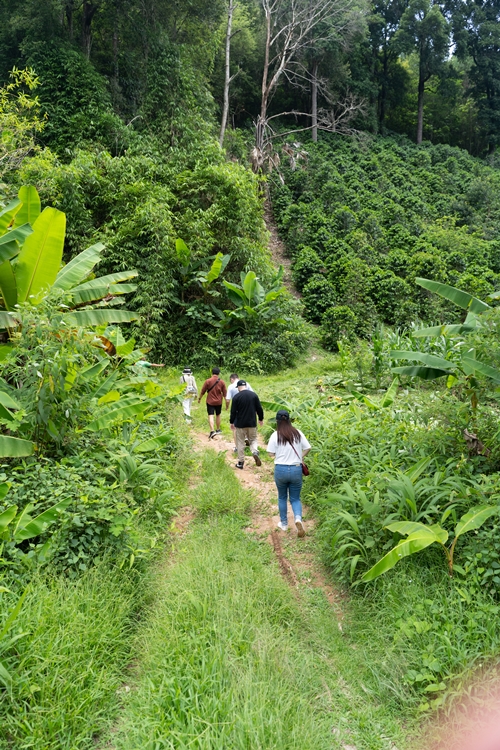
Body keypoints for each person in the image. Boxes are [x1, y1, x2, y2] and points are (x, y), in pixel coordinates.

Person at [266, 409, 311, 538]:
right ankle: (298, 519)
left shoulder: (275, 435)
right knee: (295, 498)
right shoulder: (298, 433)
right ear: (289, 419)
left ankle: (284, 523)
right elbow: (308, 447)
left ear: (277, 421)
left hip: (280, 469)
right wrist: (301, 457)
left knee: (282, 497)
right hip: (296, 468)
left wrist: (277, 455)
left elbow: (270, 453)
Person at [230, 380, 264, 469]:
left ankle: (240, 463)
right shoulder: (253, 395)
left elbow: (233, 412)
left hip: (240, 424)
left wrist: (231, 422)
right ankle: (254, 451)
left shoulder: (236, 397)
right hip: (252, 422)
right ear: (246, 386)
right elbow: (259, 408)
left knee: (240, 442)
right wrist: (260, 419)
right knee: (253, 439)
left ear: (238, 388)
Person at [225, 374, 253, 453]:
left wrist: (227, 407)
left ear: (232, 379)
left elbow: (227, 399)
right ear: (238, 378)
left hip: (237, 408)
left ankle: (237, 447)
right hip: (247, 408)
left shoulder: (231, 387)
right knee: (247, 424)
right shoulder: (246, 384)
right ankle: (247, 438)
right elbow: (253, 395)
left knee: (235, 428)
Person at [198, 367, 227, 439]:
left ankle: (212, 431)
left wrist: (200, 398)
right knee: (218, 415)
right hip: (219, 402)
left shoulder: (208, 381)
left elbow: (203, 391)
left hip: (210, 401)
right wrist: (226, 403)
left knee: (211, 415)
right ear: (219, 373)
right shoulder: (222, 382)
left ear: (212, 373)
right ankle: (218, 429)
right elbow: (225, 393)